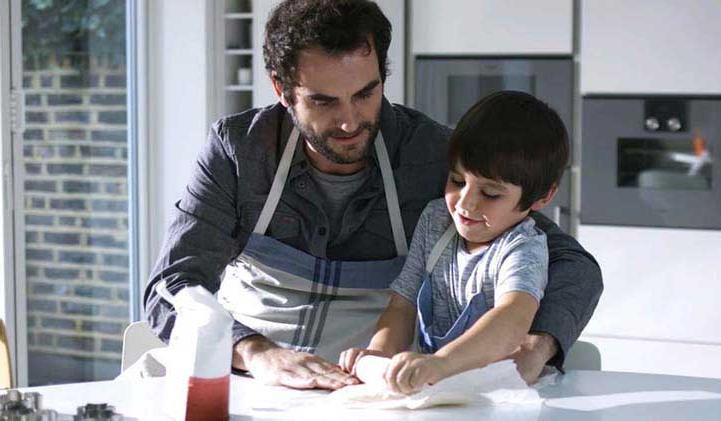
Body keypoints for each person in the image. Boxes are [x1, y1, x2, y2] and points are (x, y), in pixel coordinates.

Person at [144, 0, 602, 390]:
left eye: (366, 94)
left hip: (371, 393)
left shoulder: (436, 157)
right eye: (324, 101)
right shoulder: (238, 151)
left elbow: (572, 264)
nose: (350, 122)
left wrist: (538, 343)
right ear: (282, 90)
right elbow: (171, 287)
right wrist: (256, 353)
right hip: (252, 384)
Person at [339, 91, 567, 394]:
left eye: (490, 193)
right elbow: (403, 304)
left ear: (542, 197)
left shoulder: (522, 247)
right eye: (457, 181)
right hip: (437, 387)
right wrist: (379, 352)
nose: (465, 205)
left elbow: (512, 319)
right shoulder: (436, 220)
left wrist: (442, 363)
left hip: (497, 396)